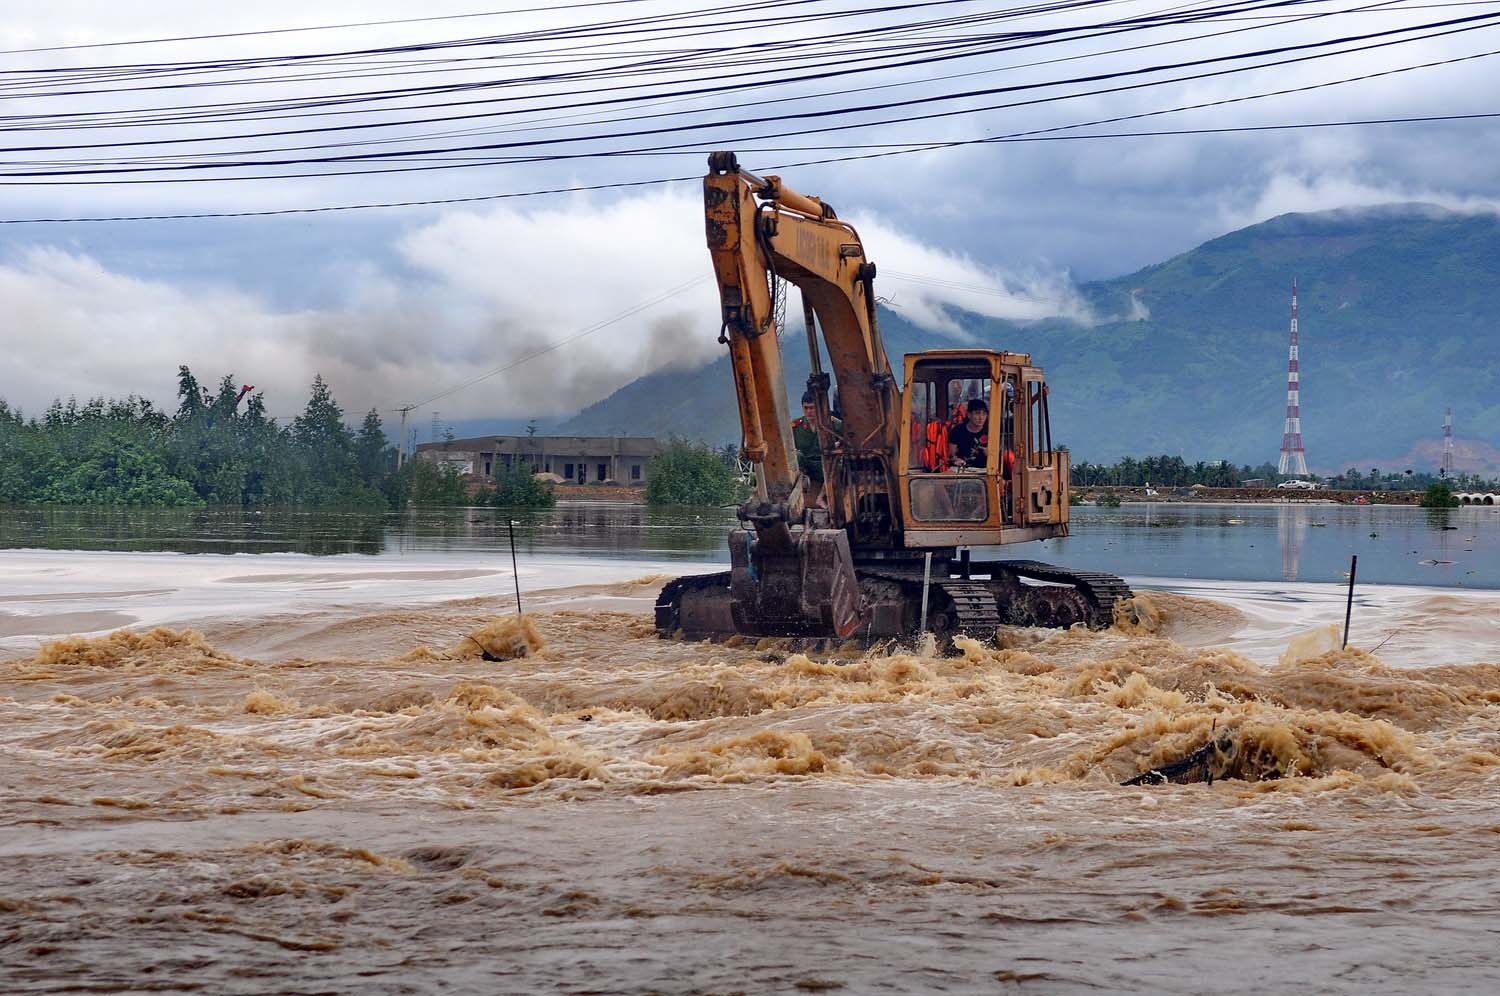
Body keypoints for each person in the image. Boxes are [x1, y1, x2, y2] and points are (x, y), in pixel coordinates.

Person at [792, 391, 841, 500]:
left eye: (812, 408)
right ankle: (799, 493)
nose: (809, 412)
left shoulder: (831, 424)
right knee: (795, 456)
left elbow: (849, 436)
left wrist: (838, 444)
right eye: (806, 408)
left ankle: (821, 497)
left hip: (825, 464)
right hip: (806, 467)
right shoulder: (796, 426)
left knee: (837, 463)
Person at [947, 398, 989, 469]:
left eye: (984, 414)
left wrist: (991, 454)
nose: (981, 417)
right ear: (969, 415)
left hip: (986, 472)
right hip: (962, 471)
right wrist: (955, 460)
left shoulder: (990, 432)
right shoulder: (957, 431)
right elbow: (951, 455)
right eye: (977, 413)